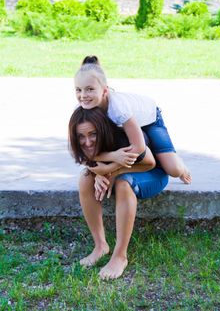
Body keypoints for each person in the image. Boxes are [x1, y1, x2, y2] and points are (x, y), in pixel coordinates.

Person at [68, 106, 169, 280]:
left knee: (123, 184)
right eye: (81, 136)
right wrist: (98, 172)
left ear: (102, 130)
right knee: (85, 179)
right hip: (125, 170)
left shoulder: (122, 138)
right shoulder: (80, 144)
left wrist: (111, 173)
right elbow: (89, 162)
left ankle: (120, 256)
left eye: (93, 134)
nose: (88, 142)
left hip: (153, 173)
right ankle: (100, 246)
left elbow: (149, 163)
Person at [74, 55, 192, 184]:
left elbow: (139, 147)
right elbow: (80, 152)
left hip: (151, 119)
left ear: (104, 90)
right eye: (78, 90)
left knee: (174, 170)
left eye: (90, 89)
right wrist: (113, 156)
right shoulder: (82, 109)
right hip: (129, 126)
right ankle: (156, 156)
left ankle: (178, 162)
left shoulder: (118, 108)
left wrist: (111, 168)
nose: (83, 95)